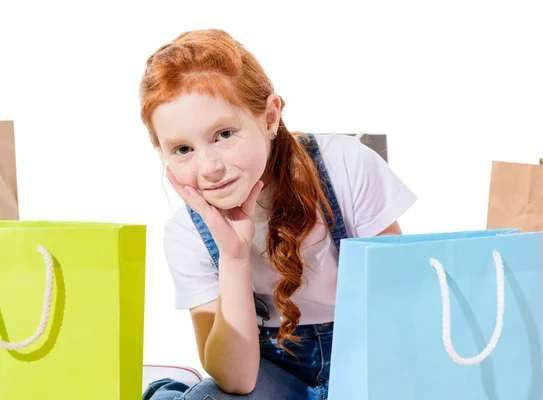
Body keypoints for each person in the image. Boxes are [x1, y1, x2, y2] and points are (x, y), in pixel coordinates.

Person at [139, 29, 417, 400]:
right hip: (268, 369)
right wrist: (234, 259)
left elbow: (401, 307)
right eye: (183, 148)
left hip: (366, 357)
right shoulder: (185, 232)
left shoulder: (345, 165)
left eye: (223, 134)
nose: (209, 168)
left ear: (270, 117)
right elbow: (237, 381)